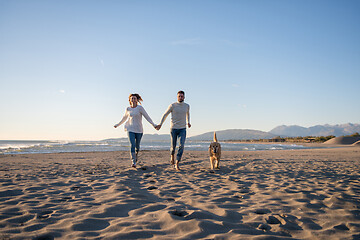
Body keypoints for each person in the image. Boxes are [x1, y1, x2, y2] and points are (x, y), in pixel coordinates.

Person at [114, 93, 157, 168]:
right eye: (132, 98)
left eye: (134, 98)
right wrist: (118, 124)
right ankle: (133, 161)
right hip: (130, 129)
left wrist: (153, 124)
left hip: (139, 130)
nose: (133, 100)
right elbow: (124, 118)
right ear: (130, 100)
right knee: (132, 145)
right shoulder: (128, 109)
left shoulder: (140, 108)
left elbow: (147, 117)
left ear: (137, 100)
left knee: (137, 147)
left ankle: (136, 155)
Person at [155, 91, 191, 170]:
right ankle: (172, 155)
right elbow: (165, 115)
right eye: (179, 96)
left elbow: (188, 114)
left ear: (184, 97)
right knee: (173, 146)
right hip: (173, 128)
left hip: (182, 129)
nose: (180, 97)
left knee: (181, 145)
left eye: (182, 96)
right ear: (177, 97)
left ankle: (177, 162)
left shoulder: (187, 106)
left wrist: (188, 122)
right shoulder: (172, 105)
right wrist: (160, 124)